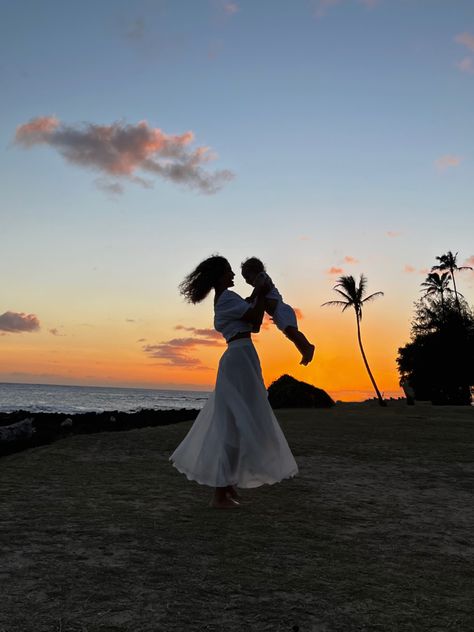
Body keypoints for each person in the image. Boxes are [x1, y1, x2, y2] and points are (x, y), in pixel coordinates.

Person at [170, 255, 298, 509]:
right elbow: (255, 320)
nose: (233, 276)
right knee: (233, 423)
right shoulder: (227, 298)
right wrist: (260, 293)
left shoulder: (228, 299)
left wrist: (259, 297)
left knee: (234, 422)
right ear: (219, 277)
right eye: (229, 272)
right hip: (239, 357)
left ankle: (226, 487)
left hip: (242, 355)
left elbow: (254, 319)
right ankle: (220, 494)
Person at [241, 257, 315, 366]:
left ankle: (308, 347)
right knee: (291, 335)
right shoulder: (259, 289)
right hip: (279, 313)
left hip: (282, 310)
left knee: (293, 333)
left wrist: (251, 297)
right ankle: (304, 352)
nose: (247, 281)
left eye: (247, 277)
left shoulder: (262, 277)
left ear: (256, 271)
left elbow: (259, 286)